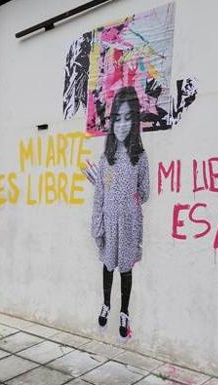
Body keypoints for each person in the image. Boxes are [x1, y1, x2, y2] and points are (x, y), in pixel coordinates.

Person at [90, 86, 150, 341]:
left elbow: (144, 192)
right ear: (112, 121)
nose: (123, 125)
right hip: (109, 221)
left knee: (125, 269)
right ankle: (106, 303)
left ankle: (124, 311)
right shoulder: (107, 158)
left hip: (128, 224)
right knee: (108, 265)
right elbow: (100, 195)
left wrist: (128, 201)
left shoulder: (140, 157)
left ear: (134, 121)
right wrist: (98, 226)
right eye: (118, 118)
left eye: (129, 118)